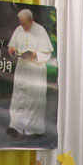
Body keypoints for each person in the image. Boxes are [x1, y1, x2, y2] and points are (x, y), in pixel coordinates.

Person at [6, 8, 54, 138]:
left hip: (36, 71)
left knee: (35, 100)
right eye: (21, 23)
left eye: (25, 24)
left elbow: (47, 54)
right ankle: (15, 127)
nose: (23, 26)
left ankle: (34, 130)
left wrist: (34, 54)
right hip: (22, 69)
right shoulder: (18, 30)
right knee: (18, 97)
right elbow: (12, 46)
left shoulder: (40, 31)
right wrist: (12, 49)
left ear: (32, 20)